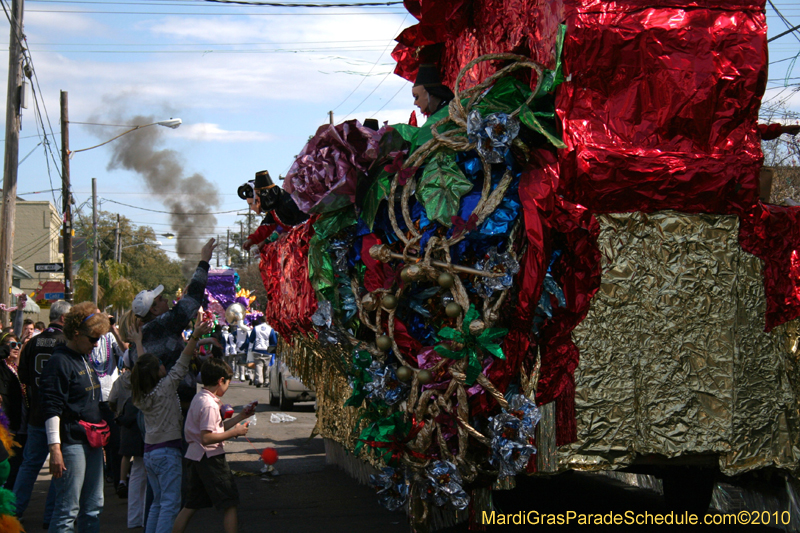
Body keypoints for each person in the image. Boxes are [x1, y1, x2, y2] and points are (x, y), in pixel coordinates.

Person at [131, 311, 213, 533]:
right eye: (159, 364)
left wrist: (139, 342)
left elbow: (142, 364)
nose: (163, 365)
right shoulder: (165, 388)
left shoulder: (141, 394)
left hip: (150, 453)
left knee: (158, 502)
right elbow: (184, 359)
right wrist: (195, 335)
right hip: (168, 453)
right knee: (170, 504)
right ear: (157, 371)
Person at [41, 302, 110, 533]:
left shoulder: (82, 357)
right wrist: (55, 449)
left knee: (93, 506)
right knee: (68, 509)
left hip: (90, 442)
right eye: (93, 339)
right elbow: (52, 407)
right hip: (71, 443)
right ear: (77, 333)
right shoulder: (60, 361)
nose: (96, 344)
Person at [172, 358, 255, 533]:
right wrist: (235, 433)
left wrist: (240, 417)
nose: (227, 387)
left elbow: (215, 429)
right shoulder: (209, 405)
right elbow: (208, 438)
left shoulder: (200, 397)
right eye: (227, 383)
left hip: (195, 456)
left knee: (191, 505)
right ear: (220, 381)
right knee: (230, 503)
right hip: (210, 458)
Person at [13, 300, 71, 525]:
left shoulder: (33, 342)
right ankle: (51, 516)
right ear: (64, 319)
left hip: (37, 413)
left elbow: (24, 378)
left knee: (30, 465)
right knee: (60, 467)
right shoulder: (67, 343)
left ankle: (14, 511)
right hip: (60, 415)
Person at [89, 316, 127, 492]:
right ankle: (100, 475)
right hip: (92, 398)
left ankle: (115, 474)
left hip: (110, 397)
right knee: (96, 441)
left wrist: (113, 329)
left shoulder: (110, 337)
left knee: (116, 440)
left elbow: (125, 351)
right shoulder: (86, 339)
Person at [0, 332, 27, 489]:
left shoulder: (17, 367)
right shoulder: (2, 367)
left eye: (18, 345)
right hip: (7, 426)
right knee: (8, 468)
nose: (15, 348)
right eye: (12, 345)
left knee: (18, 465)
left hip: (21, 423)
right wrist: (5, 350)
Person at [247, 317, 277, 388]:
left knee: (258, 365)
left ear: (260, 320)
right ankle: (266, 381)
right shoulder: (270, 329)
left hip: (257, 349)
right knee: (267, 366)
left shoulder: (256, 328)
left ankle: (259, 380)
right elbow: (274, 341)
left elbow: (251, 339)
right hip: (267, 350)